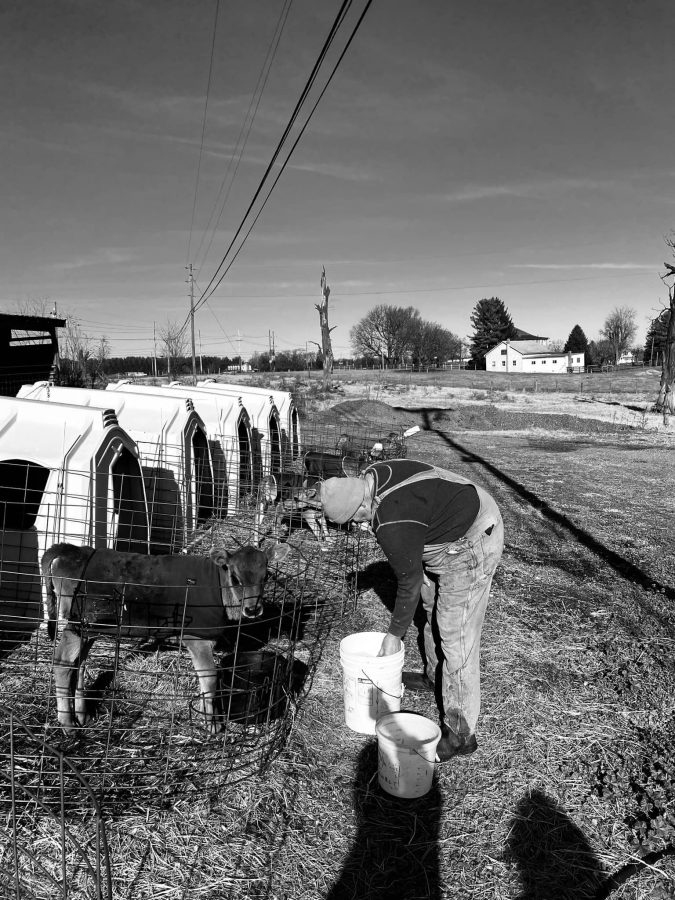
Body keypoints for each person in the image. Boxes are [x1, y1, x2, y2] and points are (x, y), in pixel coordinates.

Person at [321, 459, 503, 761]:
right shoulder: (373, 476)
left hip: (472, 537)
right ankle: (435, 677)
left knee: (455, 633)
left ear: (361, 508)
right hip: (443, 529)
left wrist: (394, 635)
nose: (357, 526)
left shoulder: (390, 521)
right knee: (432, 610)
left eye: (355, 521)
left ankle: (461, 733)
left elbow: (410, 580)